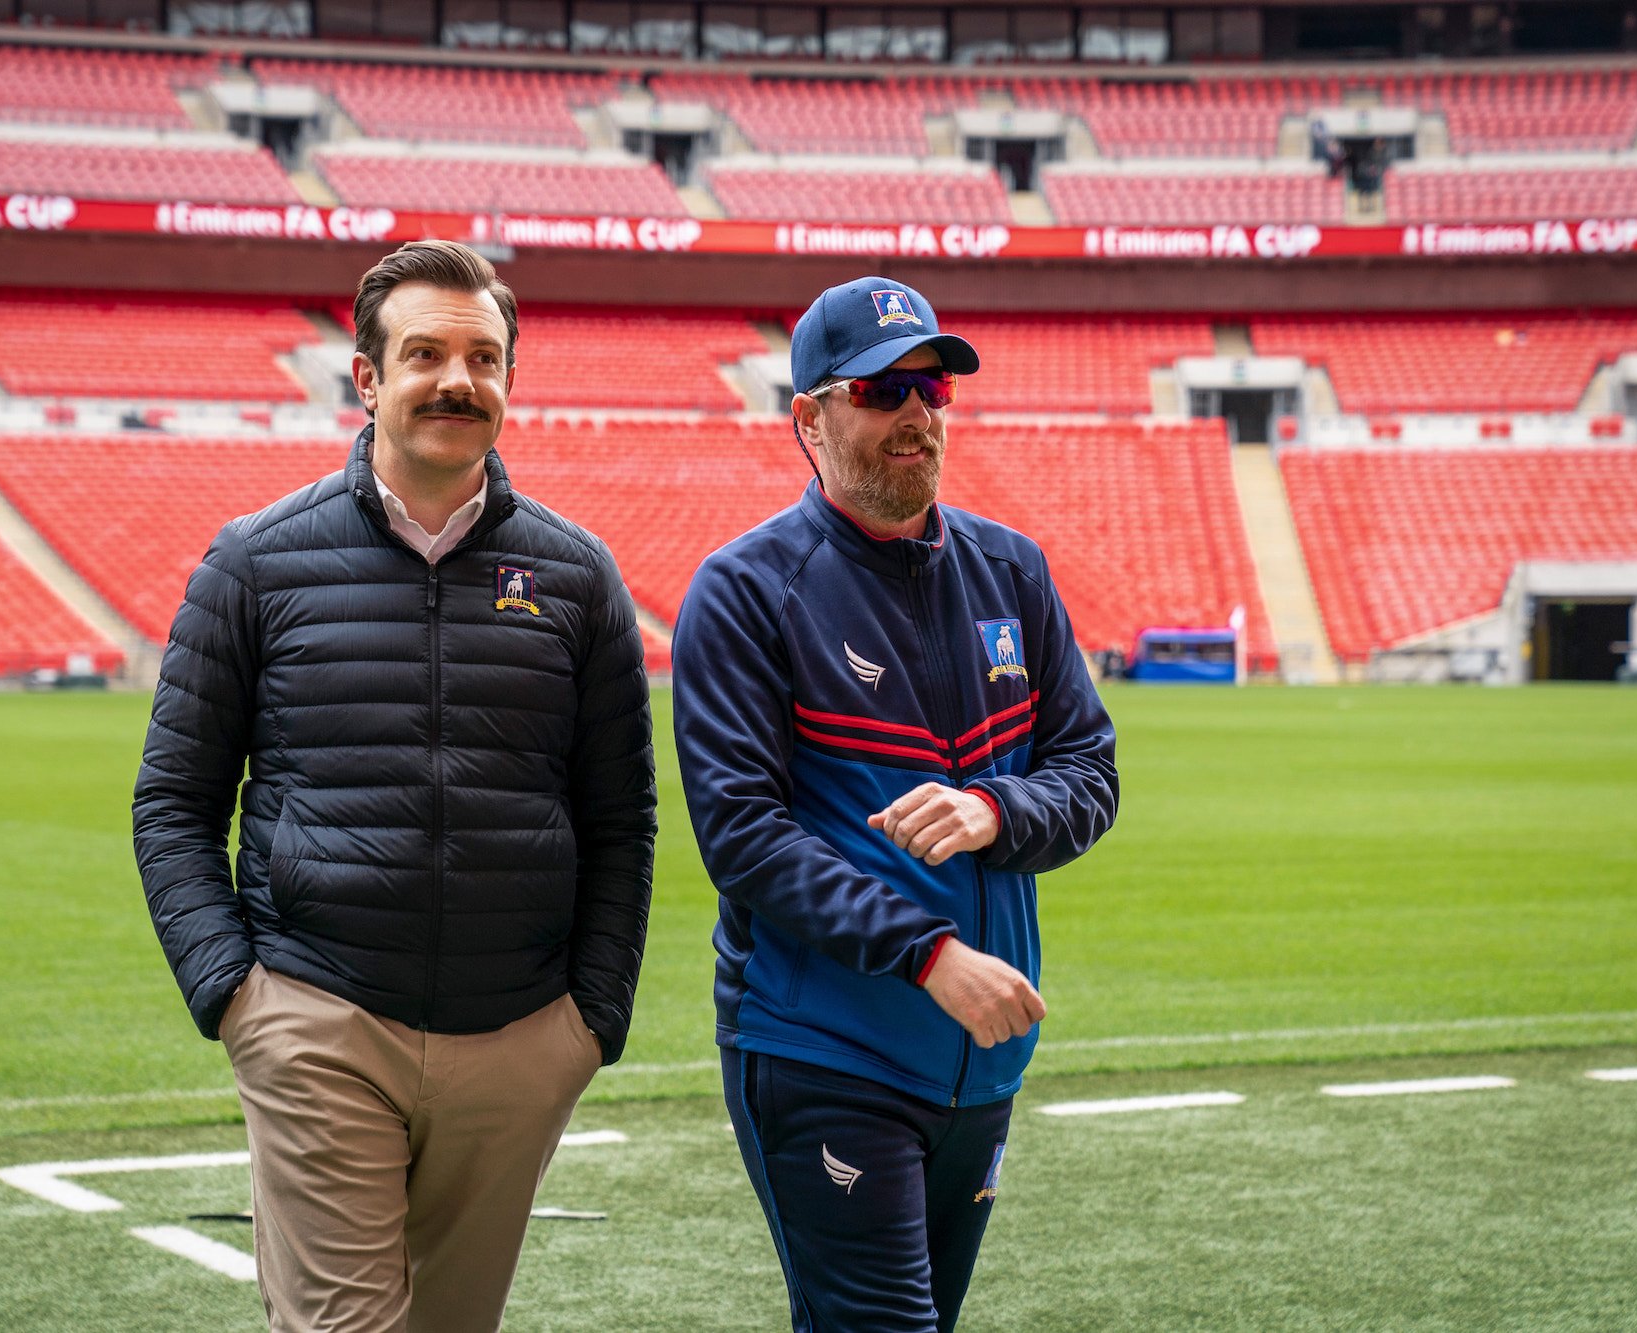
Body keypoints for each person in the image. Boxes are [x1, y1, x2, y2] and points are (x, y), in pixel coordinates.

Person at [133, 239, 656, 1333]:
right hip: (319, 1016)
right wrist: (238, 997)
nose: (456, 381)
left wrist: (587, 1021)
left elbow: (620, 818)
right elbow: (174, 801)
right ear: (367, 379)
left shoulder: (576, 575)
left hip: (518, 1036)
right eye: (424, 353)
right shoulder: (256, 562)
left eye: (483, 357)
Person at [672, 276, 1119, 1332]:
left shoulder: (1013, 571)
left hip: (983, 1063)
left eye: (933, 387)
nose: (916, 412)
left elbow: (1089, 771)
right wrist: (927, 953)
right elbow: (742, 837)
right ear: (809, 420)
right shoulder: (743, 592)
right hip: (824, 1048)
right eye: (879, 389)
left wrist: (995, 811)